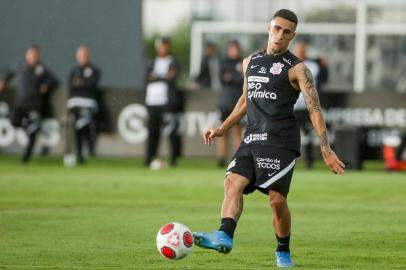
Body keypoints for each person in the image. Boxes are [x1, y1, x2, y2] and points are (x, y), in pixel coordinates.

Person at [193, 9, 345, 268]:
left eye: (287, 32)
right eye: (277, 29)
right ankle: (224, 234)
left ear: (292, 36)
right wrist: (222, 128)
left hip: (281, 141)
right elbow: (244, 100)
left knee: (276, 200)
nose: (280, 36)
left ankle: (283, 252)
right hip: (252, 137)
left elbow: (314, 109)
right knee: (232, 184)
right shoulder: (249, 62)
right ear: (269, 28)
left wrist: (325, 147)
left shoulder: (298, 69)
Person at [0, 45, 59, 163]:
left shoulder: (41, 69)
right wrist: (4, 82)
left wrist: (47, 86)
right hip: (21, 103)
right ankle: (28, 127)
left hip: (35, 104)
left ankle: (25, 158)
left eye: (35, 55)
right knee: (14, 121)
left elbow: (54, 81)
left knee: (33, 133)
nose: (32, 57)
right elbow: (10, 73)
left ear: (38, 56)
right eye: (30, 54)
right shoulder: (21, 66)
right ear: (27, 55)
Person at [144, 36, 182, 167]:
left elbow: (172, 77)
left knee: (170, 130)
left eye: (165, 45)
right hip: (152, 101)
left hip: (167, 101)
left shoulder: (173, 61)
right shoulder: (151, 61)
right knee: (152, 131)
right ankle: (149, 158)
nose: (163, 48)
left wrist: (158, 76)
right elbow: (148, 77)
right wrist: (164, 76)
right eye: (161, 45)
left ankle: (173, 159)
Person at [67, 45, 101, 164]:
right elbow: (71, 87)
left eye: (85, 54)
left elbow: (92, 85)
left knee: (86, 127)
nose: (82, 57)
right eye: (80, 55)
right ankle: (78, 154)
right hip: (75, 104)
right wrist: (83, 83)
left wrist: (80, 83)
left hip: (88, 103)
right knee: (77, 128)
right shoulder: (73, 70)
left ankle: (89, 151)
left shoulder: (94, 70)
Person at [293, 41, 320, 169]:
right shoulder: (288, 65)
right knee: (290, 135)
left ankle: (309, 162)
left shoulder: (312, 66)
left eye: (302, 50)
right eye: (298, 50)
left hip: (307, 107)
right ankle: (289, 161)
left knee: (309, 134)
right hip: (291, 107)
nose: (300, 53)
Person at [217, 40, 244, 167]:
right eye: (232, 49)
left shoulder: (243, 62)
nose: (234, 51)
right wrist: (235, 78)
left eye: (236, 49)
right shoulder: (224, 62)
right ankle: (221, 158)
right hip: (225, 101)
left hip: (238, 102)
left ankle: (236, 159)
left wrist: (231, 78)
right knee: (223, 130)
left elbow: (243, 79)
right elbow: (222, 79)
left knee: (238, 131)